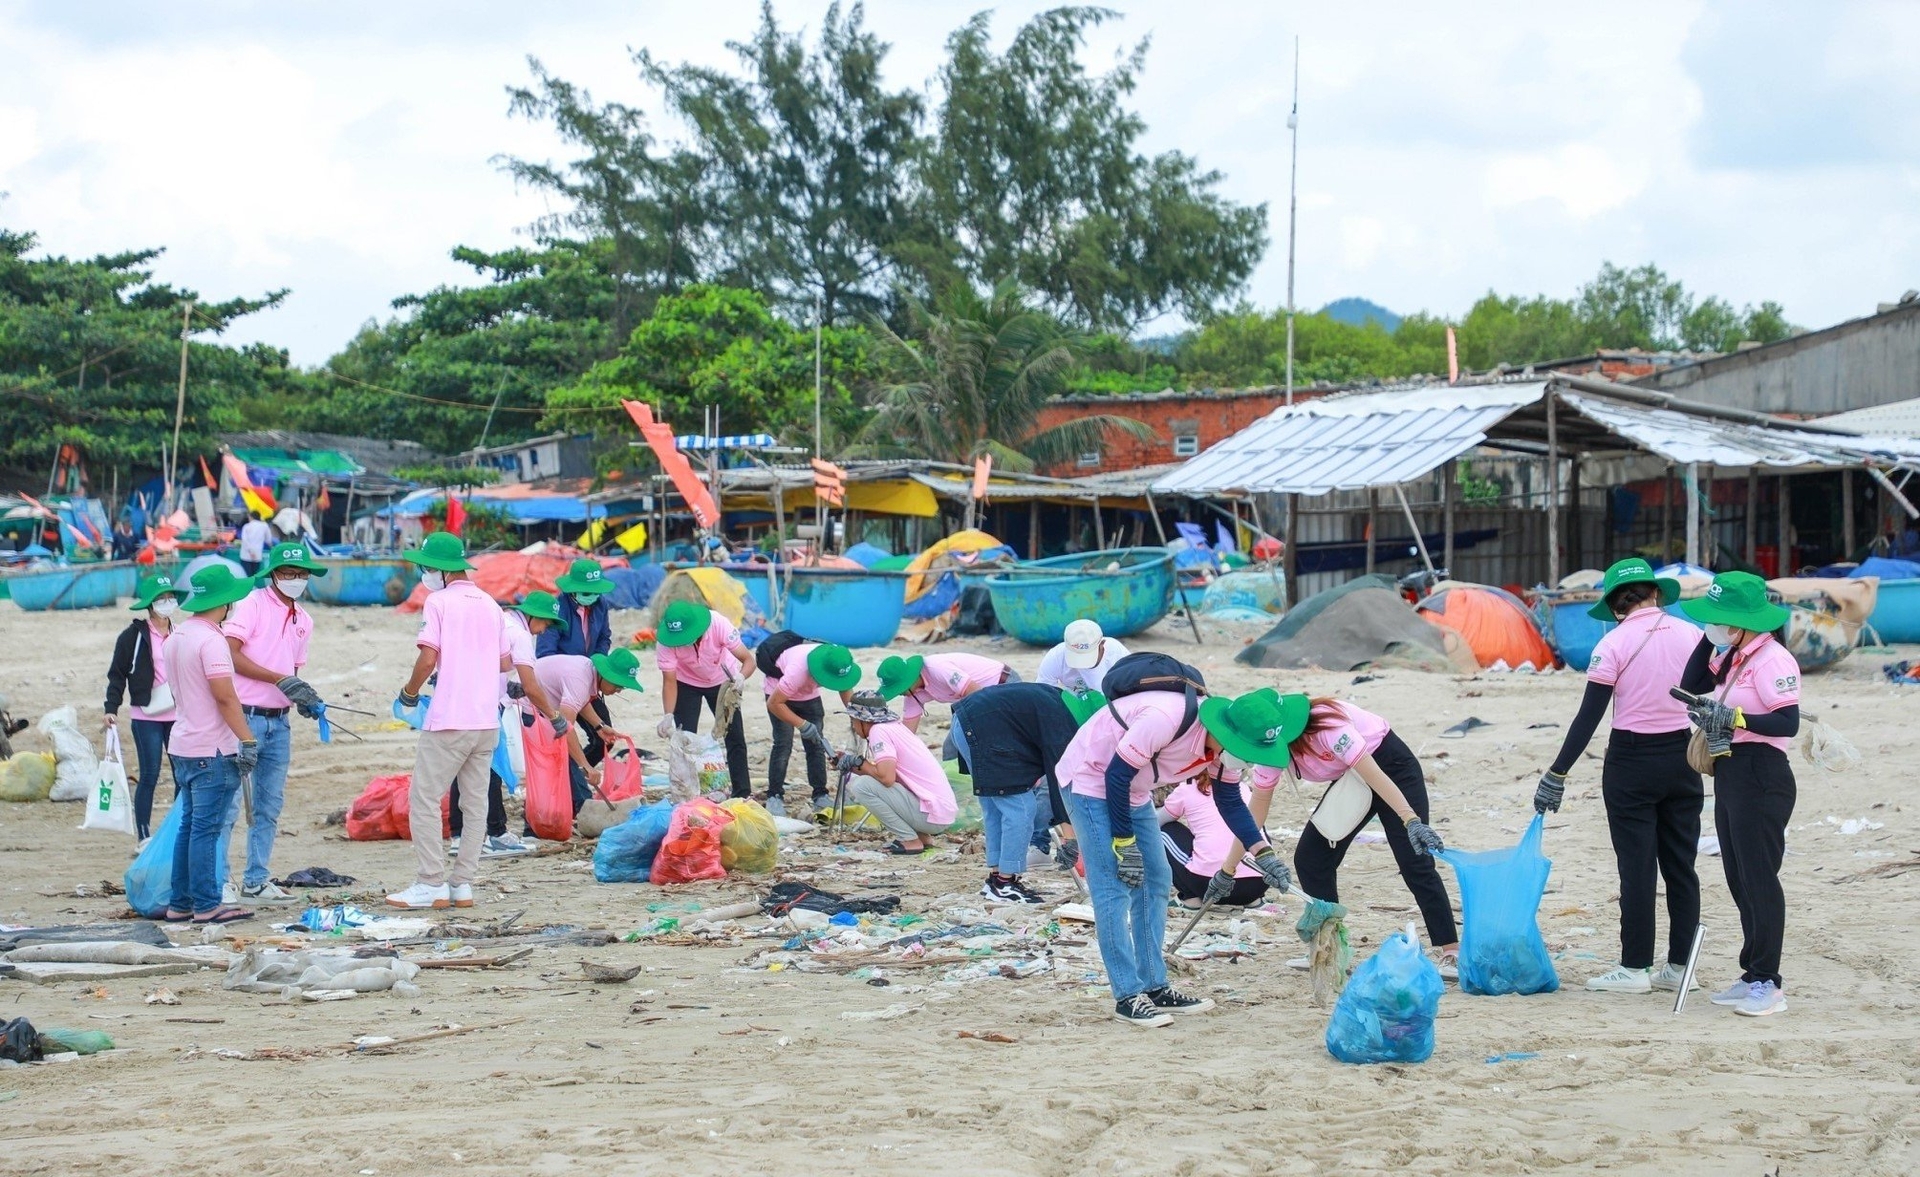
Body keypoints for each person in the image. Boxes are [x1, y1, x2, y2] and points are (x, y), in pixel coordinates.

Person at [1055, 686, 1300, 1027]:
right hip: (1092, 779)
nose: (1246, 760)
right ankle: (1127, 996)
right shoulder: (1165, 719)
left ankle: (1154, 986)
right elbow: (1115, 775)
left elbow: (1229, 800)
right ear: (1226, 733)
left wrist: (1264, 853)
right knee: (1113, 884)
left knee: (1156, 878)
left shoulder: (1224, 751)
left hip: (1135, 789)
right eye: (1245, 752)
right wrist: (1124, 846)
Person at [1535, 557, 1702, 994]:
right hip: (1683, 757)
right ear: (1656, 594)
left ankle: (1633, 969)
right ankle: (1681, 967)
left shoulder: (1612, 645)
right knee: (1682, 866)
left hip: (1631, 762)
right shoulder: (1693, 635)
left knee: (1637, 867)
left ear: (1613, 606)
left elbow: (1588, 717)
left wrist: (1557, 772)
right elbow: (1709, 697)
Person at [1212, 694, 1456, 973]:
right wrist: (1228, 869)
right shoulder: (1268, 748)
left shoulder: (1329, 727)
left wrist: (1410, 819)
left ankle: (1451, 950)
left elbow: (1374, 774)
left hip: (1390, 768)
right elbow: (1255, 811)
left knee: (1415, 860)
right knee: (1311, 858)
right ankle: (1327, 948)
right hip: (1351, 781)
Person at [1678, 571, 1800, 1018]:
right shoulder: (1736, 654)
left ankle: (1769, 981)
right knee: (1738, 876)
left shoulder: (1772, 660)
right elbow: (1692, 682)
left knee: (1760, 877)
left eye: (1719, 618)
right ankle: (1751, 972)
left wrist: (1736, 718)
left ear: (1743, 619)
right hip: (1731, 770)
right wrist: (1710, 636)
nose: (1713, 625)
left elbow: (1788, 723)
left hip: (1762, 775)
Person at [389, 533, 514, 911]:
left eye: (426, 567)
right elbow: (505, 662)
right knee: (474, 805)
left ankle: (431, 882)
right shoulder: (491, 604)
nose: (424, 574)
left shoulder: (439, 602)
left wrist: (410, 693)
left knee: (424, 799)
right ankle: (462, 885)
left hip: (450, 719)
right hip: (486, 720)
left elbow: (428, 658)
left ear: (438, 570)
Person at [218, 541, 329, 906]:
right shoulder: (251, 605)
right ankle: (218, 881)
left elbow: (293, 671)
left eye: (302, 574)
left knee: (268, 807)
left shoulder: (305, 620)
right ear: (274, 574)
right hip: (244, 718)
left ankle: (256, 880)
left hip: (278, 724)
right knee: (230, 805)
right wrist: (279, 680)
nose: (296, 580)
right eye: (288, 573)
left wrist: (301, 698)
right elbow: (230, 655)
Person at [162, 564, 261, 926]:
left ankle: (180, 902)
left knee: (190, 826)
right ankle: (206, 904)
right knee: (207, 829)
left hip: (183, 743)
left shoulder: (176, 637)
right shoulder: (212, 640)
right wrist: (247, 739)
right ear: (225, 603)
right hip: (212, 749)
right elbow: (224, 697)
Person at [949, 684, 1102, 903]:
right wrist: (1071, 840)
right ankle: (1005, 884)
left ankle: (996, 879)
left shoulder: (1059, 700)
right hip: (981, 729)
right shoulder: (1065, 723)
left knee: (996, 807)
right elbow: (1061, 780)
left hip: (965, 724)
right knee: (1020, 809)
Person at [452, 592, 565, 858]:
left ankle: (459, 835)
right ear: (533, 616)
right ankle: (496, 833)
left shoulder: (500, 620)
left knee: (461, 764)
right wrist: (553, 715)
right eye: (546, 622)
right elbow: (532, 685)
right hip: (484, 706)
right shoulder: (521, 635)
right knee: (491, 766)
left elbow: (490, 662)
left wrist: (507, 688)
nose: (546, 628)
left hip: (461, 696)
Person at [105, 574, 184, 845]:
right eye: (160, 599)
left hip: (178, 714)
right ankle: (144, 835)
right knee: (149, 773)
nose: (166, 603)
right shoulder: (132, 637)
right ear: (150, 604)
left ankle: (176, 832)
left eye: (169, 597)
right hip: (146, 714)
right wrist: (110, 707)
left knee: (181, 774)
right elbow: (117, 674)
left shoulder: (181, 632)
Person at [833, 691, 956, 855]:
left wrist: (860, 763)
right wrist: (852, 764)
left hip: (932, 815)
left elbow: (886, 778)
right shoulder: (894, 727)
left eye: (853, 721)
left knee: (861, 786)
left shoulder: (878, 731)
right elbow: (886, 774)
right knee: (871, 783)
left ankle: (909, 840)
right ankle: (922, 837)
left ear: (862, 720)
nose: (854, 728)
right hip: (939, 812)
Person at [523, 648, 643, 814]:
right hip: (527, 707)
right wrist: (586, 765)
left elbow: (581, 702)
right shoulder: (580, 679)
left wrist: (599, 726)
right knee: (566, 758)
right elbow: (564, 730)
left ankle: (564, 803)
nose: (619, 690)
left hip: (546, 709)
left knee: (568, 761)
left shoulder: (587, 671)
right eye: (617, 685)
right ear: (606, 675)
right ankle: (578, 809)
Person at [654, 599, 754, 798]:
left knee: (734, 736)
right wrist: (667, 714)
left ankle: (742, 793)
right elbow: (669, 681)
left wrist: (741, 677)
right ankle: (689, 794)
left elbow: (749, 660)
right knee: (685, 739)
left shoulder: (718, 624)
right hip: (686, 682)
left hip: (722, 680)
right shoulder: (666, 640)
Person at [763, 642, 861, 817]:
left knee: (816, 743)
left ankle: (820, 794)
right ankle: (774, 795)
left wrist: (856, 717)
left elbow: (845, 687)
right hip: (779, 695)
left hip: (809, 696)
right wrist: (802, 724)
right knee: (783, 744)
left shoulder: (838, 659)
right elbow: (774, 704)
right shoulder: (797, 671)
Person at [538, 558, 615, 762]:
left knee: (605, 738)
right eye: (587, 592)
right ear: (573, 589)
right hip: (560, 685)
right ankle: (575, 777)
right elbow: (545, 652)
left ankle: (578, 776)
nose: (592, 597)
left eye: (595, 592)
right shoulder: (557, 608)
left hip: (589, 679)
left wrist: (597, 668)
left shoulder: (600, 605)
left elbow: (604, 637)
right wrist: (568, 675)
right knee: (562, 734)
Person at [1159, 777, 1267, 909]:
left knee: (1164, 831)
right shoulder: (1242, 788)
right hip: (1256, 885)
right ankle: (1254, 900)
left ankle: (1191, 898)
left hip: (1208, 886)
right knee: (1255, 826)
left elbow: (1156, 822)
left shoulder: (1187, 789)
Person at [876, 653, 1016, 736]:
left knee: (967, 737)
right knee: (953, 746)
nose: (898, 693)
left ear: (908, 680)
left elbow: (974, 693)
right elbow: (908, 732)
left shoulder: (937, 668)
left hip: (1004, 685)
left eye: (898, 689)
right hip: (977, 698)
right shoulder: (912, 694)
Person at [1036, 619, 1130, 694]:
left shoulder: (1117, 653)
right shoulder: (1055, 657)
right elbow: (1043, 693)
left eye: (1087, 655)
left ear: (1102, 644)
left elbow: (1131, 687)